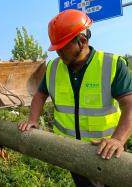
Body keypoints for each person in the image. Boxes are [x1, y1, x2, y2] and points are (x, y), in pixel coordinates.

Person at [18, 9, 132, 187]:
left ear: (82, 41)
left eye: (62, 47)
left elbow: (130, 105)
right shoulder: (54, 68)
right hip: (72, 152)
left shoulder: (112, 64)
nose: (58, 53)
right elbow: (40, 95)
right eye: (56, 48)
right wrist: (33, 120)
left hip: (107, 152)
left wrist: (118, 139)